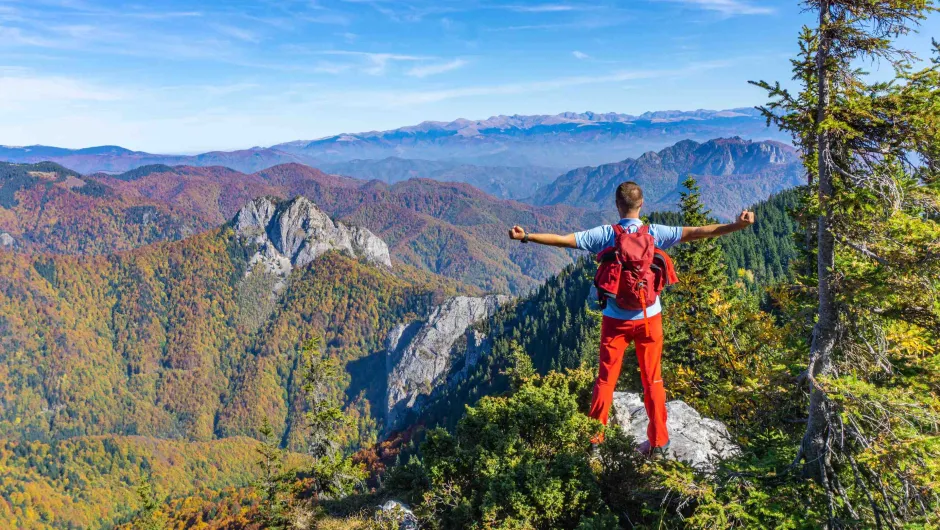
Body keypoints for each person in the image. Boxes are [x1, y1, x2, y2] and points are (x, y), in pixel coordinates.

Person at [507, 181, 755, 459]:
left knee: (605, 381)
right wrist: (737, 226)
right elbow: (699, 232)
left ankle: (595, 440)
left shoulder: (606, 235)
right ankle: (659, 442)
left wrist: (527, 236)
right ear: (642, 204)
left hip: (615, 321)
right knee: (653, 381)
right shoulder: (656, 233)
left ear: (617, 205)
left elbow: (565, 240)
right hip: (651, 319)